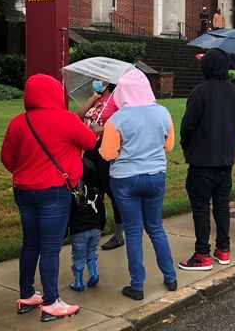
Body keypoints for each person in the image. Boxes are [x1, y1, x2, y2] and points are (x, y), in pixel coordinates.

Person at [1, 74, 96, 321]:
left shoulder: (17, 122)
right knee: (50, 248)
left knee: (30, 242)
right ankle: (52, 302)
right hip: (54, 190)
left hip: (24, 190)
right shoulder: (65, 119)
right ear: (55, 93)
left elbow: (7, 158)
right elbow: (89, 140)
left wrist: (25, 173)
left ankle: (26, 295)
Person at [99, 69, 178, 300]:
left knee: (133, 232)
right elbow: (169, 146)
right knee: (155, 227)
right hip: (155, 176)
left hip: (125, 179)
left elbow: (107, 153)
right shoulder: (163, 112)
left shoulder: (117, 119)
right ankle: (170, 277)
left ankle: (137, 286)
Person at [178, 49, 235, 271]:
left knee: (201, 207)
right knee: (222, 206)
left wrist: (185, 145)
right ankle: (223, 249)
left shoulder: (201, 92)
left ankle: (202, 254)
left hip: (202, 160)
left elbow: (188, 125)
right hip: (225, 160)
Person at [76, 80, 125, 251]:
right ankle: (97, 227)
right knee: (94, 191)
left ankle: (119, 235)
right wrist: (92, 97)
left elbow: (124, 124)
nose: (97, 81)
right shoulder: (97, 100)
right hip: (90, 149)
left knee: (111, 190)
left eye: (102, 79)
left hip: (106, 148)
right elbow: (77, 117)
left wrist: (102, 130)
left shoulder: (117, 99)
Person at [68, 159, 101, 292]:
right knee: (92, 252)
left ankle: (78, 281)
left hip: (79, 231)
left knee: (78, 256)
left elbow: (68, 214)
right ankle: (93, 272)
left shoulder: (73, 195)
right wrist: (101, 225)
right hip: (95, 228)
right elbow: (102, 211)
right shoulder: (96, 192)